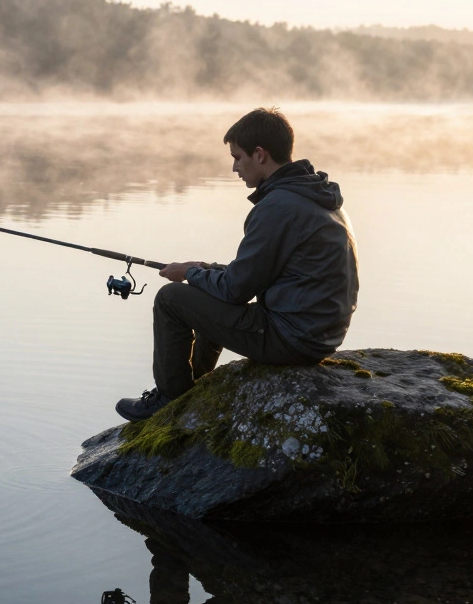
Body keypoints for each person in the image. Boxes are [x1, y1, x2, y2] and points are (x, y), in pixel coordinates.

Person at [116, 107, 359, 422]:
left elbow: (235, 290)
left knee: (170, 299)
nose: (234, 167)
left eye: (237, 157)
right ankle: (193, 386)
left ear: (260, 155)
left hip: (293, 339)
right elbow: (255, 274)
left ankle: (169, 399)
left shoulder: (278, 207)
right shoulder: (315, 196)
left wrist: (189, 273)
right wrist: (204, 268)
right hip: (318, 334)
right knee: (207, 290)